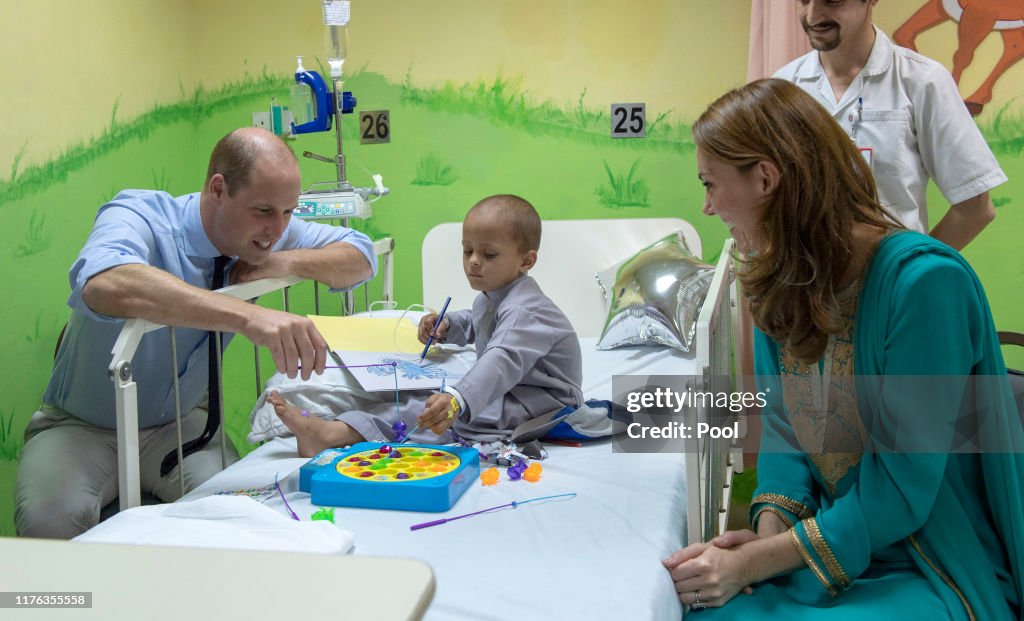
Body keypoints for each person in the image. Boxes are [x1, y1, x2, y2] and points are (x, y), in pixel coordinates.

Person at [661, 79, 1023, 619]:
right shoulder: (776, 275)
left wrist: (759, 563)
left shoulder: (925, 284)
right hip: (831, 539)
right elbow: (784, 427)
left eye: (711, 185)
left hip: (930, 556)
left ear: (765, 177)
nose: (707, 207)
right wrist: (764, 545)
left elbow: (903, 491)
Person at [15, 127, 377, 539]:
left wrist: (286, 261)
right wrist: (245, 314)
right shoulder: (140, 214)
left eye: (289, 212)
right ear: (218, 189)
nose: (277, 228)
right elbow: (102, 280)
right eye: (263, 211)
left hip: (181, 424)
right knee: (49, 522)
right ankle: (65, 604)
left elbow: (362, 256)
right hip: (82, 426)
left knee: (239, 513)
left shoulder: (270, 235)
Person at [267, 194, 584, 456]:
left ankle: (332, 434)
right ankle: (340, 428)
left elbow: (501, 359)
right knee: (425, 399)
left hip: (547, 403)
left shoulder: (525, 309)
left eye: (488, 254)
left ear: (526, 261)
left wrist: (458, 400)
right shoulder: (492, 297)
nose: (473, 261)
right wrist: (447, 325)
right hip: (516, 391)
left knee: (451, 417)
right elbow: (478, 323)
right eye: (467, 250)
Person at [774, 0, 1006, 251]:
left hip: (889, 284)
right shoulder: (782, 88)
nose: (813, 15)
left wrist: (908, 270)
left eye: (832, 0)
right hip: (805, 284)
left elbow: (976, 208)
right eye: (804, 1)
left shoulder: (923, 81)